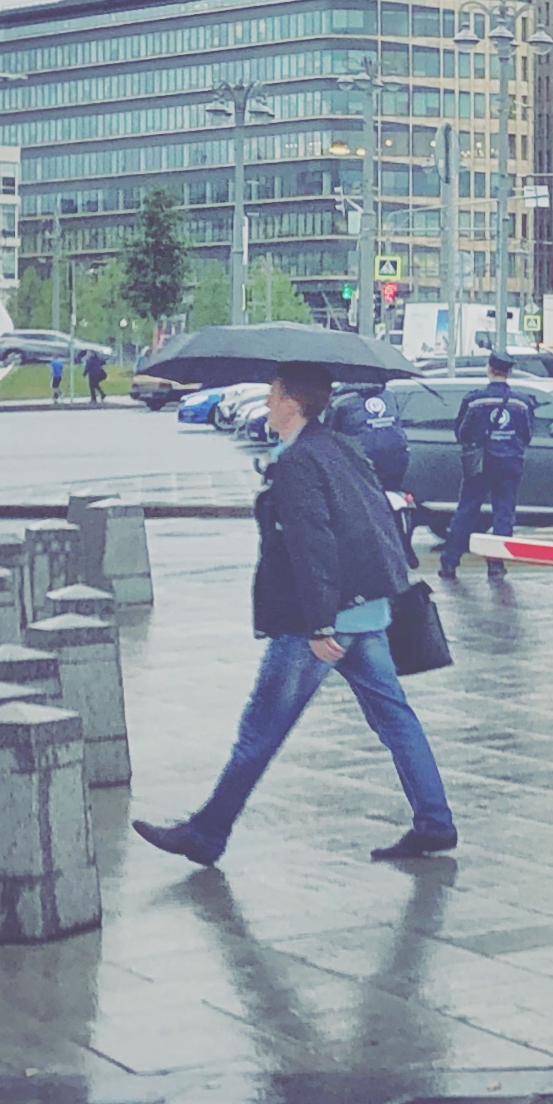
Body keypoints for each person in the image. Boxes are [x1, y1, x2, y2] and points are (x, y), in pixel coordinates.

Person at [133, 362, 457, 865]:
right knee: (396, 720)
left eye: (272, 393)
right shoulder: (341, 448)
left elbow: (313, 544)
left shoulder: (299, 463)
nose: (266, 402)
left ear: (291, 401)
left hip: (316, 625)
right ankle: (434, 823)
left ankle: (207, 834)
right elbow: (378, 520)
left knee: (260, 730)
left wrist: (321, 622)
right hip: (366, 614)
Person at [438, 354, 538, 582]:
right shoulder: (521, 402)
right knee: (504, 514)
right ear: (509, 372)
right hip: (510, 462)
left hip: (481, 463)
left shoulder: (474, 400)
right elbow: (527, 434)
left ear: (489, 369)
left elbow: (462, 433)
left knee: (467, 511)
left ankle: (449, 562)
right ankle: (496, 564)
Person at [348, 381, 423, 554]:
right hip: (397, 455)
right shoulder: (389, 395)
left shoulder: (343, 401)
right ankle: (404, 547)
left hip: (363, 458)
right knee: (391, 496)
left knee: (359, 503)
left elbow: (332, 433)